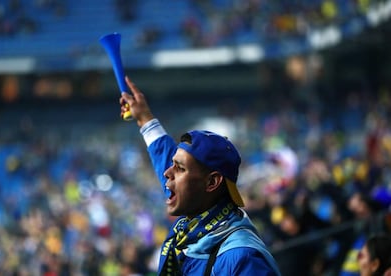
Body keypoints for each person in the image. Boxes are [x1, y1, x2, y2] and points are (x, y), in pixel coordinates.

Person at [119, 76, 281, 275]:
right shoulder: (194, 217)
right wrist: (144, 118)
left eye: (179, 168)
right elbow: (166, 158)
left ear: (212, 182)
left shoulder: (241, 258)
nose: (167, 173)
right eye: (173, 165)